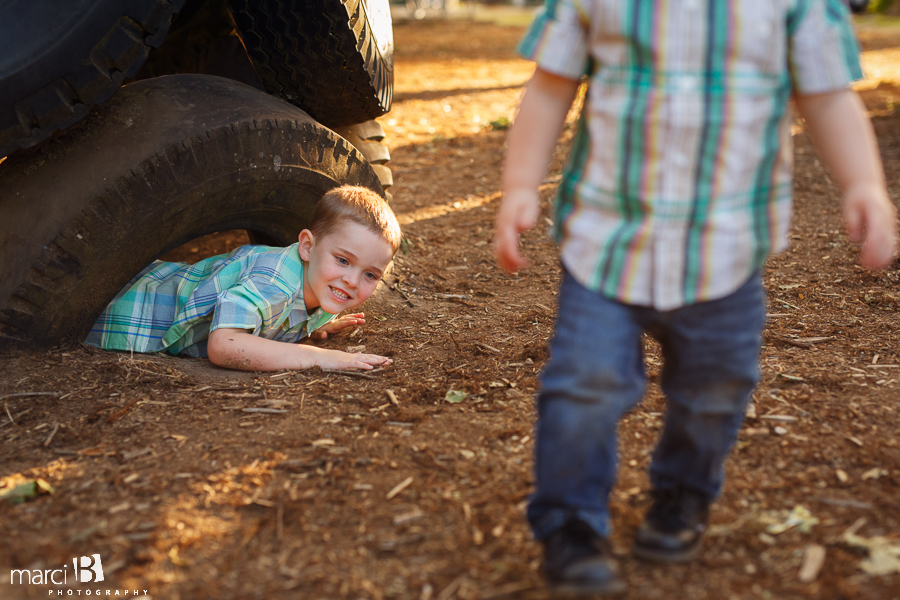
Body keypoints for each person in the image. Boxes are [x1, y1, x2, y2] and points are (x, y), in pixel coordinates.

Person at [494, 0, 898, 594]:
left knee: (716, 389)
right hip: (607, 240)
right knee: (584, 385)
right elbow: (551, 84)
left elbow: (828, 94)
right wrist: (520, 185)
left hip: (725, 250)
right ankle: (570, 524)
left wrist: (864, 182)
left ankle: (682, 494)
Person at [86, 185, 401, 372]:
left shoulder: (320, 284)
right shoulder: (273, 281)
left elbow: (275, 314)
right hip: (127, 312)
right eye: (343, 260)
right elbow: (224, 345)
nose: (351, 281)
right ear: (307, 246)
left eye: (370, 274)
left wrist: (314, 323)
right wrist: (324, 359)